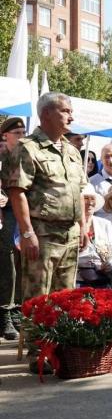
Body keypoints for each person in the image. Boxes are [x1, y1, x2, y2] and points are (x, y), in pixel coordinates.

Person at [0, 92, 89, 373]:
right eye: (65, 111)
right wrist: (27, 233)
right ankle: (39, 353)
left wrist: (84, 226)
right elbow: (17, 192)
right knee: (39, 297)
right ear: (46, 114)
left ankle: (61, 349)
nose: (71, 117)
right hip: (42, 233)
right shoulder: (27, 148)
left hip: (70, 233)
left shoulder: (72, 151)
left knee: (65, 296)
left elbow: (81, 192)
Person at [0, 117, 26, 341]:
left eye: (23, 133)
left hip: (25, 214)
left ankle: (19, 307)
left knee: (23, 260)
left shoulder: (27, 157)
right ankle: (5, 312)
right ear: (5, 135)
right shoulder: (1, 158)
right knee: (8, 262)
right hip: (5, 214)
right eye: (17, 133)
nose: (21, 137)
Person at [77, 187, 112, 289]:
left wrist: (110, 266)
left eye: (92, 199)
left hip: (104, 279)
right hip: (78, 279)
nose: (90, 203)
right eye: (86, 198)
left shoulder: (105, 224)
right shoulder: (71, 225)